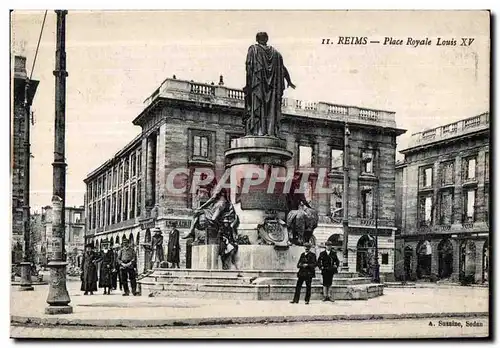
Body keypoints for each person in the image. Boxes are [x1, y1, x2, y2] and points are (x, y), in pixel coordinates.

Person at [244, 31, 296, 137]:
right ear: (266, 39)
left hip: (258, 87)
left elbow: (249, 68)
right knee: (270, 109)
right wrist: (289, 81)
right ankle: (269, 131)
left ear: (257, 39)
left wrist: (248, 85)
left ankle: (258, 131)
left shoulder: (253, 50)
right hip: (272, 91)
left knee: (258, 107)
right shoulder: (276, 54)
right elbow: (283, 69)